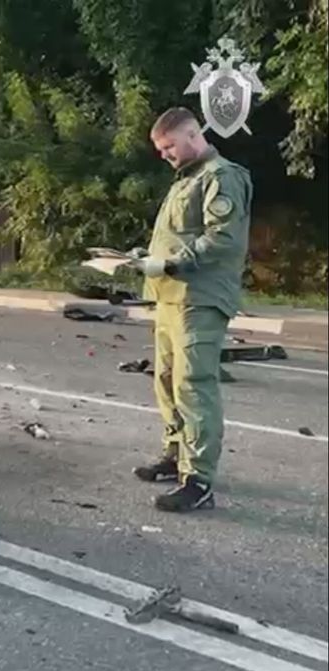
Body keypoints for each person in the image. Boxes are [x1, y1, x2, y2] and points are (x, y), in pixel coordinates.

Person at [130, 107, 253, 513]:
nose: (164, 155)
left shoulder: (221, 176)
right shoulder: (187, 180)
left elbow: (223, 239)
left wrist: (170, 263)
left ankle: (198, 480)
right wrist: (145, 258)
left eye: (168, 147)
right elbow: (177, 236)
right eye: (160, 149)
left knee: (193, 384)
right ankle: (175, 455)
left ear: (191, 135)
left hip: (199, 299)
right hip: (171, 298)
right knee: (165, 380)